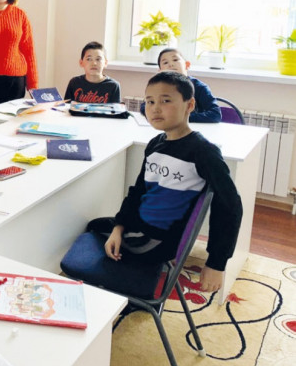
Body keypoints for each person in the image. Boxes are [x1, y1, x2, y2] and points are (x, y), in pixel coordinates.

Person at [89, 71, 242, 292]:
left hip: (157, 240)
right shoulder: (156, 143)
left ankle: (133, 289)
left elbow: (230, 206)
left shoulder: (203, 152)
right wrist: (119, 227)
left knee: (91, 234)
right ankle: (133, 282)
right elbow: (138, 191)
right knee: (96, 226)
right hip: (140, 227)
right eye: (150, 101)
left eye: (166, 101)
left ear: (190, 105)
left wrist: (216, 263)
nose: (155, 108)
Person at [140, 47, 222, 123]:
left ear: (187, 65)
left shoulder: (199, 87)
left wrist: (181, 118)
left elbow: (215, 114)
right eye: (165, 62)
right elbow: (144, 106)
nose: (171, 64)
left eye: (175, 60)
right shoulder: (159, 87)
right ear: (160, 71)